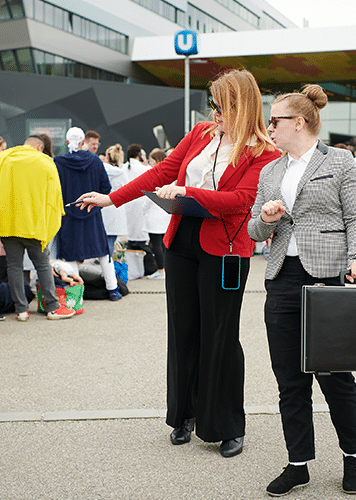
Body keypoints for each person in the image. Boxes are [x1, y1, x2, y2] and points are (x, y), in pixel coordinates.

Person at [76, 69, 280, 458]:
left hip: (226, 248)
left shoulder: (263, 151)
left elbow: (240, 200)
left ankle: (225, 424)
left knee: (219, 334)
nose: (214, 114)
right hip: (182, 241)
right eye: (213, 106)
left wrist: (191, 191)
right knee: (183, 330)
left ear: (241, 106)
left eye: (221, 107)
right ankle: (183, 415)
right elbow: (161, 173)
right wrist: (111, 199)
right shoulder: (201, 134)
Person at [248, 84, 356, 496]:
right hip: (282, 277)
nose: (270, 127)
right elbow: (253, 230)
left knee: (335, 376)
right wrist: (266, 217)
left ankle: (353, 457)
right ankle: (298, 463)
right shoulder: (270, 171)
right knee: (289, 380)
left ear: (298, 123)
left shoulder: (339, 162)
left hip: (329, 276)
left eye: (275, 121)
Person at [0, 136, 75, 321]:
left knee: (14, 266)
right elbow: (55, 196)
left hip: (8, 224)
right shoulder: (45, 162)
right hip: (35, 225)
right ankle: (52, 307)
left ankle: (21, 311)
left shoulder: (4, 158)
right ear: (39, 147)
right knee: (42, 265)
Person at [53, 127, 122, 301]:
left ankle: (77, 295)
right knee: (103, 251)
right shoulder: (95, 161)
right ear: (84, 141)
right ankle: (113, 289)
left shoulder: (58, 163)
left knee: (71, 254)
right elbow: (105, 188)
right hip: (92, 212)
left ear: (67, 142)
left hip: (68, 214)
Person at [144, 148, 171, 278]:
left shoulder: (155, 174)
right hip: (166, 215)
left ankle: (160, 270)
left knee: (156, 245)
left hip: (154, 215)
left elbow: (150, 197)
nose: (150, 162)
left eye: (151, 160)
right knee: (164, 244)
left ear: (157, 161)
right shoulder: (170, 174)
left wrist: (144, 209)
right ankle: (165, 268)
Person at [101, 144, 128, 258]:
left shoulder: (100, 169)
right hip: (116, 209)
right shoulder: (121, 173)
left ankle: (102, 267)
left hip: (101, 207)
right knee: (111, 241)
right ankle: (108, 267)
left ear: (107, 157)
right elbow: (127, 190)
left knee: (101, 241)